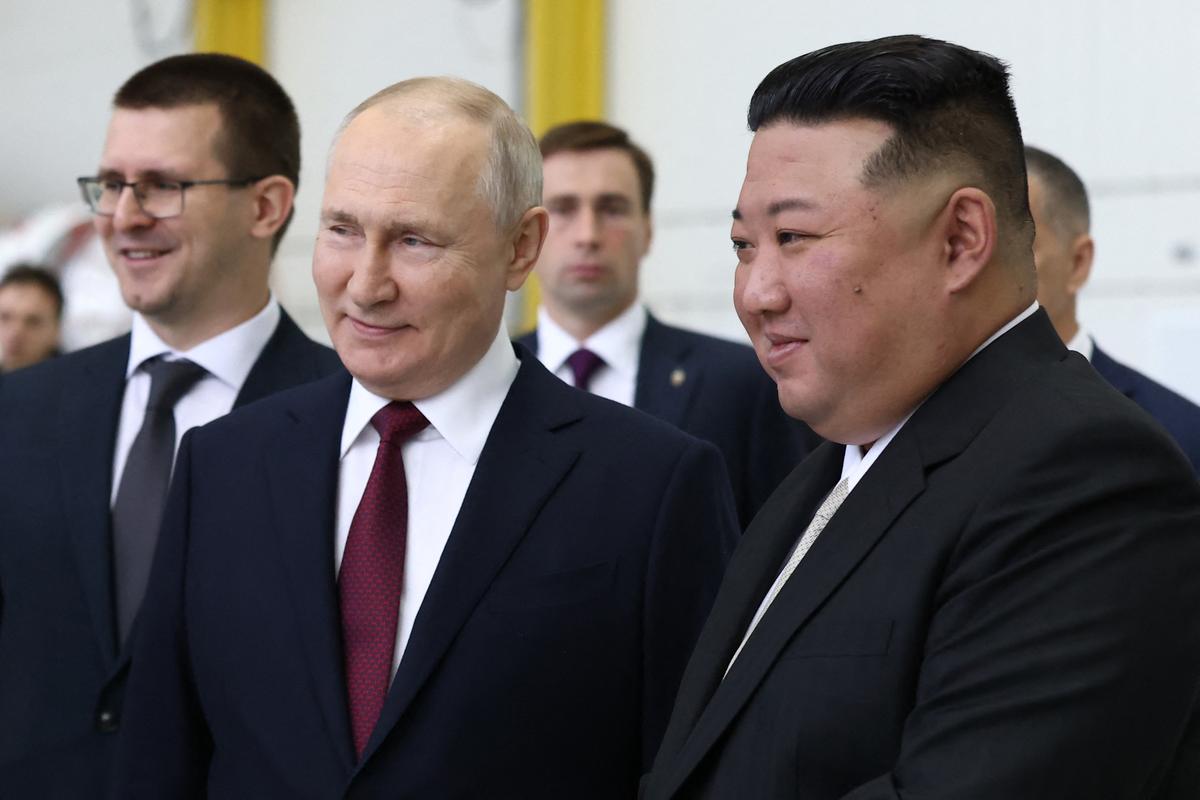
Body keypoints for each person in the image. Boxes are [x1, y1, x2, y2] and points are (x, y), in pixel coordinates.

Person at [113, 77, 737, 799]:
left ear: (520, 247)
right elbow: (160, 759)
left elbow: (693, 773)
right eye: (342, 230)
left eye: (414, 241)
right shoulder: (224, 465)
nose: (366, 285)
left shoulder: (653, 485)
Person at [643, 35, 1200, 800]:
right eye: (744, 244)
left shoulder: (1086, 479)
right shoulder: (827, 473)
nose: (755, 293)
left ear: (961, 239)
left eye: (795, 238)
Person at [0, 54, 341, 798]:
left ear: (265, 206)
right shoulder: (18, 413)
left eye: (162, 186)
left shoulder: (351, 420)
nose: (123, 216)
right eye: (112, 184)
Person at [517, 121, 820, 528]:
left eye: (612, 209)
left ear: (648, 230)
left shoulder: (744, 381)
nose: (588, 235)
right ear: (529, 234)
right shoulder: (492, 380)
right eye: (564, 209)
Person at [1026, 144, 1200, 472]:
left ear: (1078, 263)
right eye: (960, 245)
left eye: (1015, 247)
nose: (975, 270)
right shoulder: (921, 421)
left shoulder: (1178, 435)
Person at [0, 264, 63, 371]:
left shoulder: (79, 382)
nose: (15, 332)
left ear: (56, 330)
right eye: (5, 317)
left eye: (33, 322)